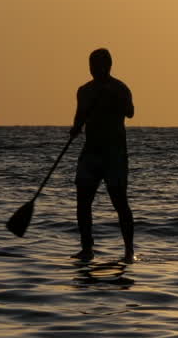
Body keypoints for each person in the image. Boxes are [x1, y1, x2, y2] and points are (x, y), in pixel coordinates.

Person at [71, 48, 135, 262]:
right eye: (91, 65)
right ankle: (87, 249)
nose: (93, 69)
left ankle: (128, 251)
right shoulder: (84, 90)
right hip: (91, 153)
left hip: (114, 154)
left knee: (119, 202)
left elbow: (130, 112)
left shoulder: (120, 88)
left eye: (97, 65)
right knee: (82, 201)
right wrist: (75, 128)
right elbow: (79, 118)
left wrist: (112, 98)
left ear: (108, 66)